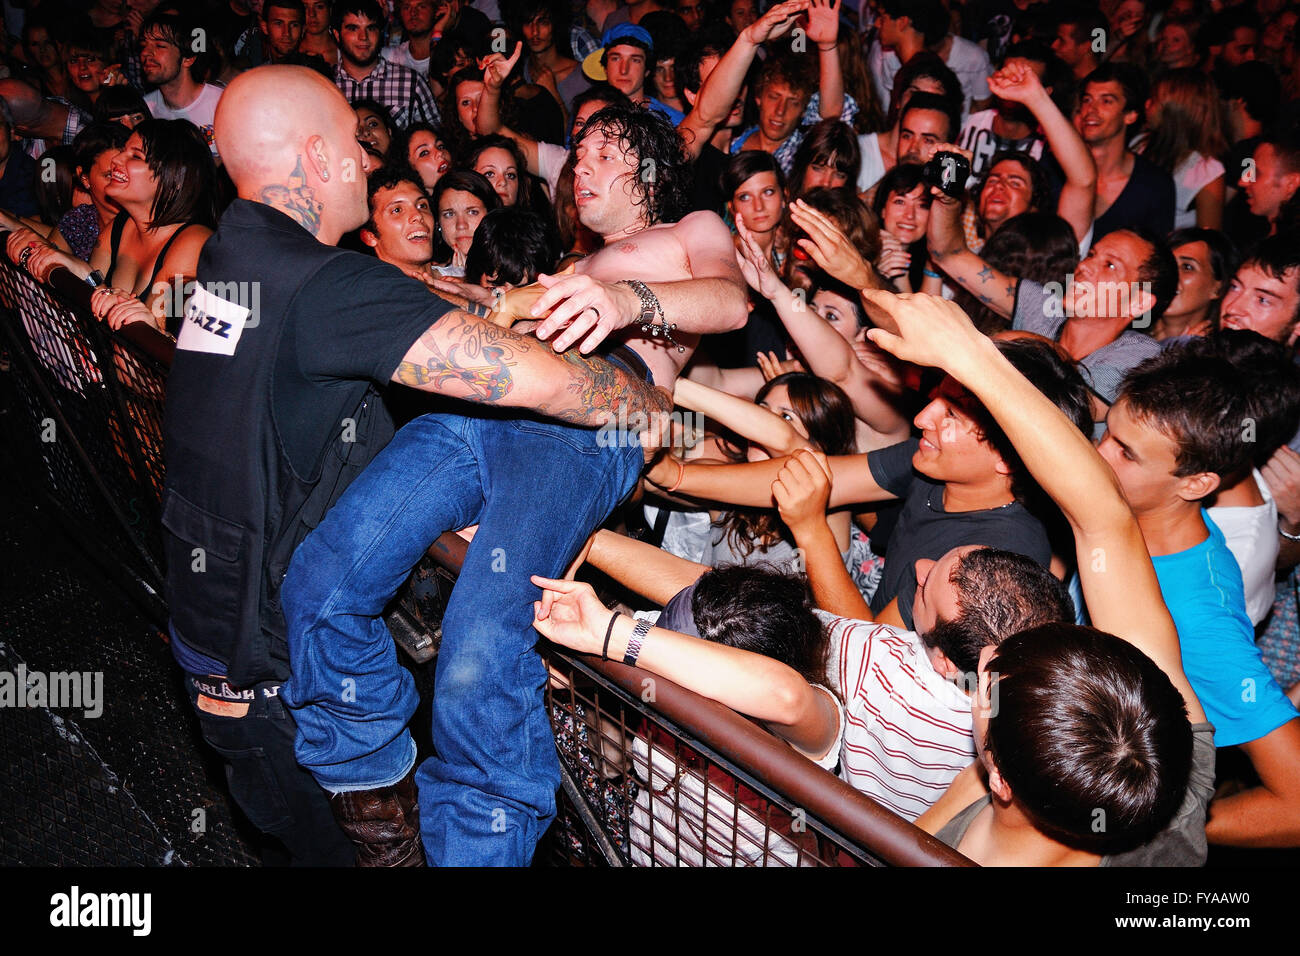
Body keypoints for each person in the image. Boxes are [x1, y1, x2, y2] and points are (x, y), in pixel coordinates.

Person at [147, 65, 670, 867]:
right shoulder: (330, 287)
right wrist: (647, 411)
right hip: (271, 677)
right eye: (353, 146)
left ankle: (391, 800)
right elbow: (539, 380)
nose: (366, 157)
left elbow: (399, 292)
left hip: (215, 640)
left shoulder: (235, 251)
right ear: (319, 160)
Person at [283, 100, 746, 867]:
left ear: (651, 172)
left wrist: (625, 300)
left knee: (477, 654)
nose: (582, 168)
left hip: (591, 421)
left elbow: (730, 303)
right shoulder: (573, 259)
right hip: (492, 402)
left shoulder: (689, 231)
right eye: (580, 154)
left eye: (604, 153)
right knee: (322, 577)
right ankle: (375, 793)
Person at [1098, 345, 1300, 848]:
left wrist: (1165, 829)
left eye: (1126, 452)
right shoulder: (1132, 506)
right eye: (1108, 432)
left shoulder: (1197, 613)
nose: (1098, 453)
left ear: (1196, 483)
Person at [11, 119, 218, 337]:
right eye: (123, 151)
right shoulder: (123, 224)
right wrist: (69, 264)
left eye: (135, 156)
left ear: (174, 177)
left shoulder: (192, 244)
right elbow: (93, 294)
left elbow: (155, 347)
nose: (117, 160)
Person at [1073, 64, 1175, 241]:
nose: (1091, 110)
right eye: (1087, 100)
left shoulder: (1154, 185)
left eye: (1106, 101)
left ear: (1130, 115)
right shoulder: (1055, 169)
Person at [331, 0, 439, 128]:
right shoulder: (325, 83)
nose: (363, 37)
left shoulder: (410, 82)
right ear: (337, 35)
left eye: (370, 28)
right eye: (353, 29)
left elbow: (435, 136)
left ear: (380, 33)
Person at [139, 11, 225, 158]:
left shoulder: (222, 103)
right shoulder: (145, 110)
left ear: (188, 59)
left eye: (159, 45)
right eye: (143, 45)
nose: (146, 52)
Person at [1151, 228, 1236, 341]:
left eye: (1187, 267)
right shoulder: (1126, 333)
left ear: (1218, 289)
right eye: (1166, 263)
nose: (1170, 273)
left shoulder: (1217, 354)